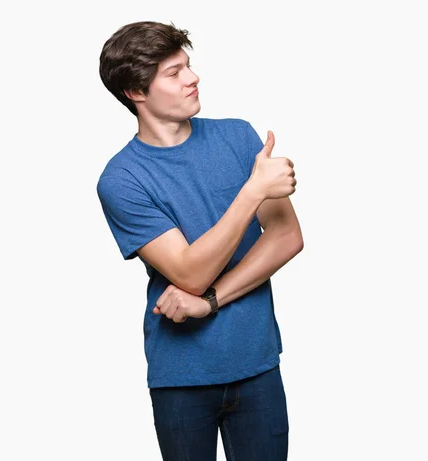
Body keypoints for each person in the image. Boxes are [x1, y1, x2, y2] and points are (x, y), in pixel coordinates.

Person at [96, 20, 303, 461]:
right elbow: (190, 273)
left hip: (258, 363)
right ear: (136, 92)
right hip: (182, 376)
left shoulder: (237, 135)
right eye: (173, 73)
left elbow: (286, 237)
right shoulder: (121, 179)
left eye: (187, 66)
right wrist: (253, 192)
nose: (192, 78)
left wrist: (208, 302)